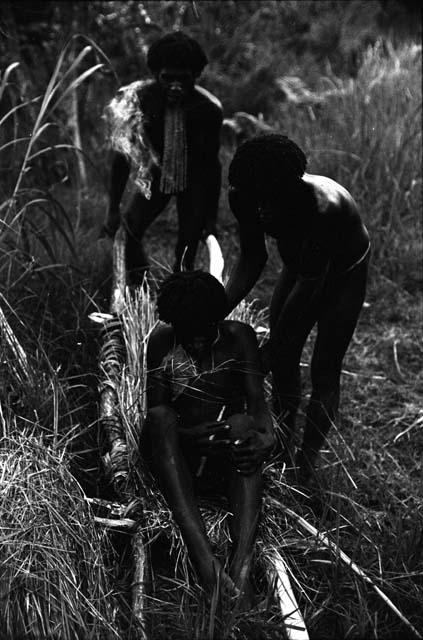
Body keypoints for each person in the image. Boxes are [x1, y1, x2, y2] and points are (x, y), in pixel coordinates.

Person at [225, 134, 370, 482]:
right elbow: (252, 259)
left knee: (324, 367)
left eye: (270, 201)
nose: (261, 209)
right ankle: (281, 441)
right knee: (284, 359)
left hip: (343, 273)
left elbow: (312, 285)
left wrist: (274, 345)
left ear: (291, 187)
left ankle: (306, 465)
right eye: (255, 200)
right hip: (301, 266)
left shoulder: (325, 209)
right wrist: (216, 309)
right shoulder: (242, 194)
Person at [145, 271, 275, 600]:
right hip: (179, 461)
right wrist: (189, 437)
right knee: (160, 419)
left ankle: (241, 568)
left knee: (243, 425)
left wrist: (266, 437)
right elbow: (157, 416)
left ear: (219, 319)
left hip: (224, 459)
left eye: (205, 332)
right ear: (174, 324)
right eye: (188, 334)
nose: (198, 342)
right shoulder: (161, 342)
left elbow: (258, 405)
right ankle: (206, 564)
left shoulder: (239, 338)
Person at [103, 31, 223, 279]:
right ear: (155, 74)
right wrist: (113, 208)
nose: (175, 86)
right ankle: (141, 284)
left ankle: (179, 295)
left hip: (195, 180)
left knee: (187, 247)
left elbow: (212, 166)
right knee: (130, 230)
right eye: (168, 78)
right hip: (156, 173)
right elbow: (122, 156)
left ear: (196, 76)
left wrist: (210, 217)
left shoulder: (208, 109)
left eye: (183, 79)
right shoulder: (139, 100)